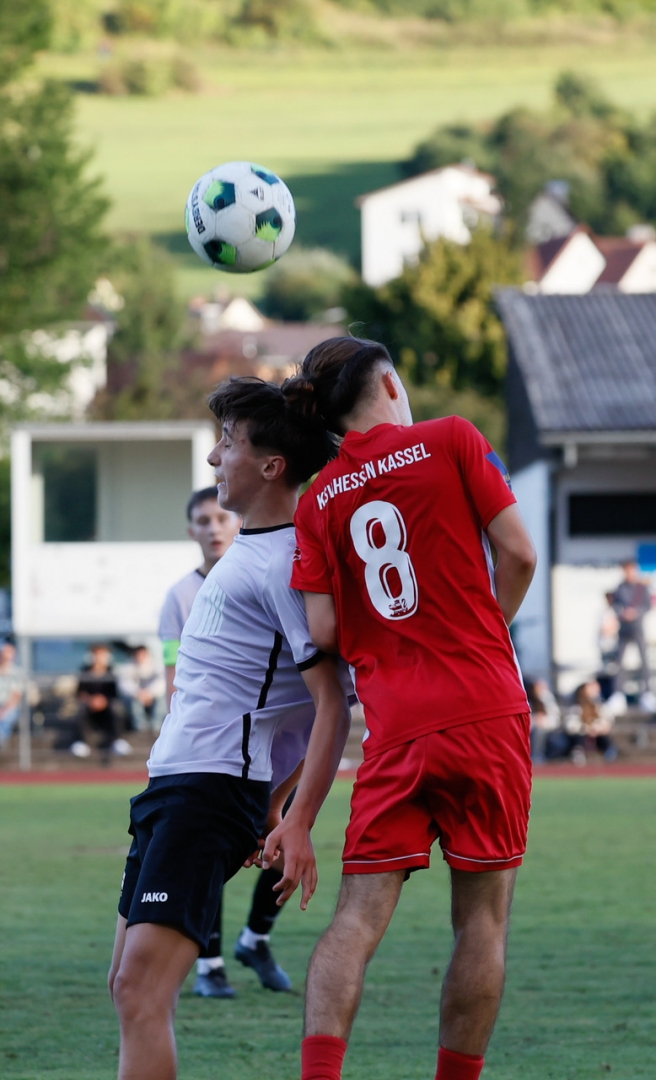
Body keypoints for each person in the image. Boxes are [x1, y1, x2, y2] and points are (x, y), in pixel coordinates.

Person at [262, 336, 537, 1080]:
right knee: (481, 920)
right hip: (485, 710)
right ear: (389, 384)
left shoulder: (319, 499)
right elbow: (519, 554)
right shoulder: (452, 439)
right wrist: (485, 633)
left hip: (396, 729)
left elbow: (323, 630)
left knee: (356, 919)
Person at [108, 378, 352, 1080]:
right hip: (177, 786)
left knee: (141, 992)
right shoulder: (250, 551)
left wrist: (295, 816)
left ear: (272, 466)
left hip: (208, 791)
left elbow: (331, 703)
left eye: (228, 442)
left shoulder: (286, 563)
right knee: (126, 986)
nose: (215, 458)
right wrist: (273, 805)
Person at [159, 487, 294, 998]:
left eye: (220, 517)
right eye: (202, 520)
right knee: (209, 855)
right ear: (190, 531)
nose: (213, 527)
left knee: (282, 849)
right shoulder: (180, 596)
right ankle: (210, 963)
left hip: (279, 745)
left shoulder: (268, 571)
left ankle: (256, 938)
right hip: (213, 750)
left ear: (236, 522)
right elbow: (176, 674)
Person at [71, 643, 131, 761]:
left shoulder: (112, 671)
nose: (99, 657)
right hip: (90, 707)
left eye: (102, 654)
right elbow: (80, 692)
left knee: (116, 708)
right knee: (81, 709)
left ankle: (117, 741)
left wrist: (104, 700)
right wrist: (91, 700)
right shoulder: (84, 671)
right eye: (97, 654)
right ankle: (81, 742)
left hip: (107, 706)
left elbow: (115, 693)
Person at [612, 560, 653, 707]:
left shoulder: (641, 588)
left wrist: (636, 613)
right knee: (620, 662)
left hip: (638, 627)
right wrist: (623, 613)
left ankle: (647, 693)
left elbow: (647, 605)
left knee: (644, 661)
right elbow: (616, 605)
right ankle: (617, 694)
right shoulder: (620, 587)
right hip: (624, 629)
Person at [563, 679, 619, 766]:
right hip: (581, 736)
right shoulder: (576, 707)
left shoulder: (600, 706)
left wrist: (597, 728)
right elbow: (571, 725)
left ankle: (609, 752)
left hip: (598, 735)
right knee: (578, 739)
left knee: (605, 739)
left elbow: (608, 720)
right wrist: (587, 729)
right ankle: (578, 753)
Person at [120, 645, 166, 734]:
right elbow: (124, 684)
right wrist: (139, 693)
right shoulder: (128, 666)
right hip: (136, 697)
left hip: (153, 697)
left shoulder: (157, 665)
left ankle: (156, 727)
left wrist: (149, 693)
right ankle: (140, 728)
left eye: (143, 654)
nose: (141, 657)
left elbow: (163, 682)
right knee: (134, 701)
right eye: (138, 654)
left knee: (162, 700)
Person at [0, 641, 25, 751]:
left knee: (5, 720)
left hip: (10, 707)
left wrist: (3, 711)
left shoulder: (17, 673)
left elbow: (16, 696)